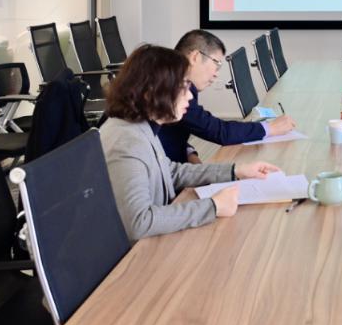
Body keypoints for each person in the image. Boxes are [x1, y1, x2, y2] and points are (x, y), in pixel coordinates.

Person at [99, 44, 280, 241]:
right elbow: (140, 222)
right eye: (183, 87)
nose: (190, 95)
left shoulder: (141, 126)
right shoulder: (127, 143)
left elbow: (171, 173)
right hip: (137, 253)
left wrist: (236, 170)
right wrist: (213, 206)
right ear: (151, 92)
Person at [156, 30, 297, 164]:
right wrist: (269, 128)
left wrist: (190, 154)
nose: (216, 74)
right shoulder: (173, 88)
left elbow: (172, 132)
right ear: (195, 57)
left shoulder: (168, 80)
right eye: (216, 64)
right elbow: (219, 132)